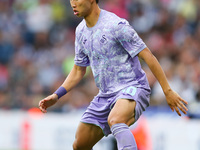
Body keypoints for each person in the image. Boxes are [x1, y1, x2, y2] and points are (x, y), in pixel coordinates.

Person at [39, 0, 188, 149]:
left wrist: (167, 90)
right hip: (105, 95)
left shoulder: (116, 25)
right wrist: (57, 95)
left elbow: (148, 56)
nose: (73, 3)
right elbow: (79, 70)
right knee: (80, 145)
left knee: (116, 119)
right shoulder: (80, 31)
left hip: (133, 87)